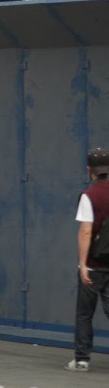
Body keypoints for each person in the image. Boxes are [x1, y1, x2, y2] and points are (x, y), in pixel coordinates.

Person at [72, 147, 109, 371]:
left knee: (85, 314)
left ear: (90, 170)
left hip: (94, 266)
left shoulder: (89, 195)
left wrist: (83, 265)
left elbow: (86, 230)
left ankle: (82, 360)